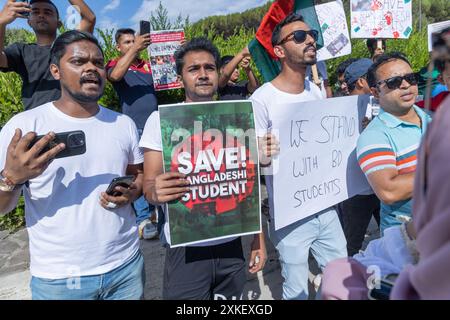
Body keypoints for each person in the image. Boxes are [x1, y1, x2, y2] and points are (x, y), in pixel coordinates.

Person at [0, 30, 145, 300]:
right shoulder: (24, 127)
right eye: (79, 62)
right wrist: (11, 178)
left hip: (126, 266)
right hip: (61, 278)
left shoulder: (123, 124)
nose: (91, 68)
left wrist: (132, 192)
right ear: (55, 71)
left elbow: (137, 176)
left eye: (98, 63)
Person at [139, 37, 267, 300]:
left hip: (232, 244)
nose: (203, 74)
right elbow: (149, 186)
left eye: (209, 68)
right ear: (180, 77)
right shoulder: (160, 120)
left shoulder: (240, 117)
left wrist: (258, 240)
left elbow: (249, 184)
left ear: (219, 73)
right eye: (193, 69)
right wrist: (156, 191)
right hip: (186, 249)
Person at [250, 13, 347, 300]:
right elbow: (252, 162)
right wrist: (260, 152)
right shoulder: (261, 100)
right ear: (279, 51)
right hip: (290, 215)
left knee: (340, 280)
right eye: (300, 37)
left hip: (326, 207)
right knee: (296, 290)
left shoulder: (315, 91)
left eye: (312, 35)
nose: (310, 41)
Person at [356, 52, 432, 235]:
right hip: (406, 241)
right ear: (375, 92)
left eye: (410, 78)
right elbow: (389, 191)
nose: (405, 85)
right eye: (393, 82)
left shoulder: (431, 119)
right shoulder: (373, 136)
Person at [106, 28, 158, 240]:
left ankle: (157, 212)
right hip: (133, 127)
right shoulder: (114, 64)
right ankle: (143, 219)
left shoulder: (148, 66)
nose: (132, 45)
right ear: (119, 47)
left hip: (154, 125)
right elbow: (115, 76)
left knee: (156, 171)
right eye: (127, 42)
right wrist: (136, 48)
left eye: (134, 41)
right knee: (139, 172)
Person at [0, 0, 96, 110]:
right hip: (37, 121)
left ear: (58, 23)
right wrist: (1, 22)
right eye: (35, 12)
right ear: (29, 22)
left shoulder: (70, 45)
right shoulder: (21, 50)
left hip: (74, 117)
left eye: (48, 12)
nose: (41, 15)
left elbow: (89, 19)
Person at [338, 58, 381, 256]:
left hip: (381, 186)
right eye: (372, 77)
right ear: (361, 82)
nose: (378, 81)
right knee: (351, 245)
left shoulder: (381, 102)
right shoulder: (338, 111)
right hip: (356, 193)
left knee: (396, 234)